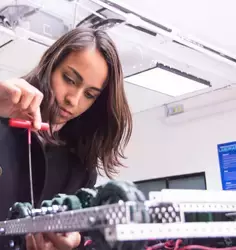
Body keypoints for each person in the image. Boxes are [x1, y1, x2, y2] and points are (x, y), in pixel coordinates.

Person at [0, 27, 132, 249]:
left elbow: (79, 231)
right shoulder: (2, 117)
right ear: (50, 65)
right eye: (69, 79)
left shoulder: (81, 164)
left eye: (90, 94)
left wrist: (76, 241)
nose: (74, 100)